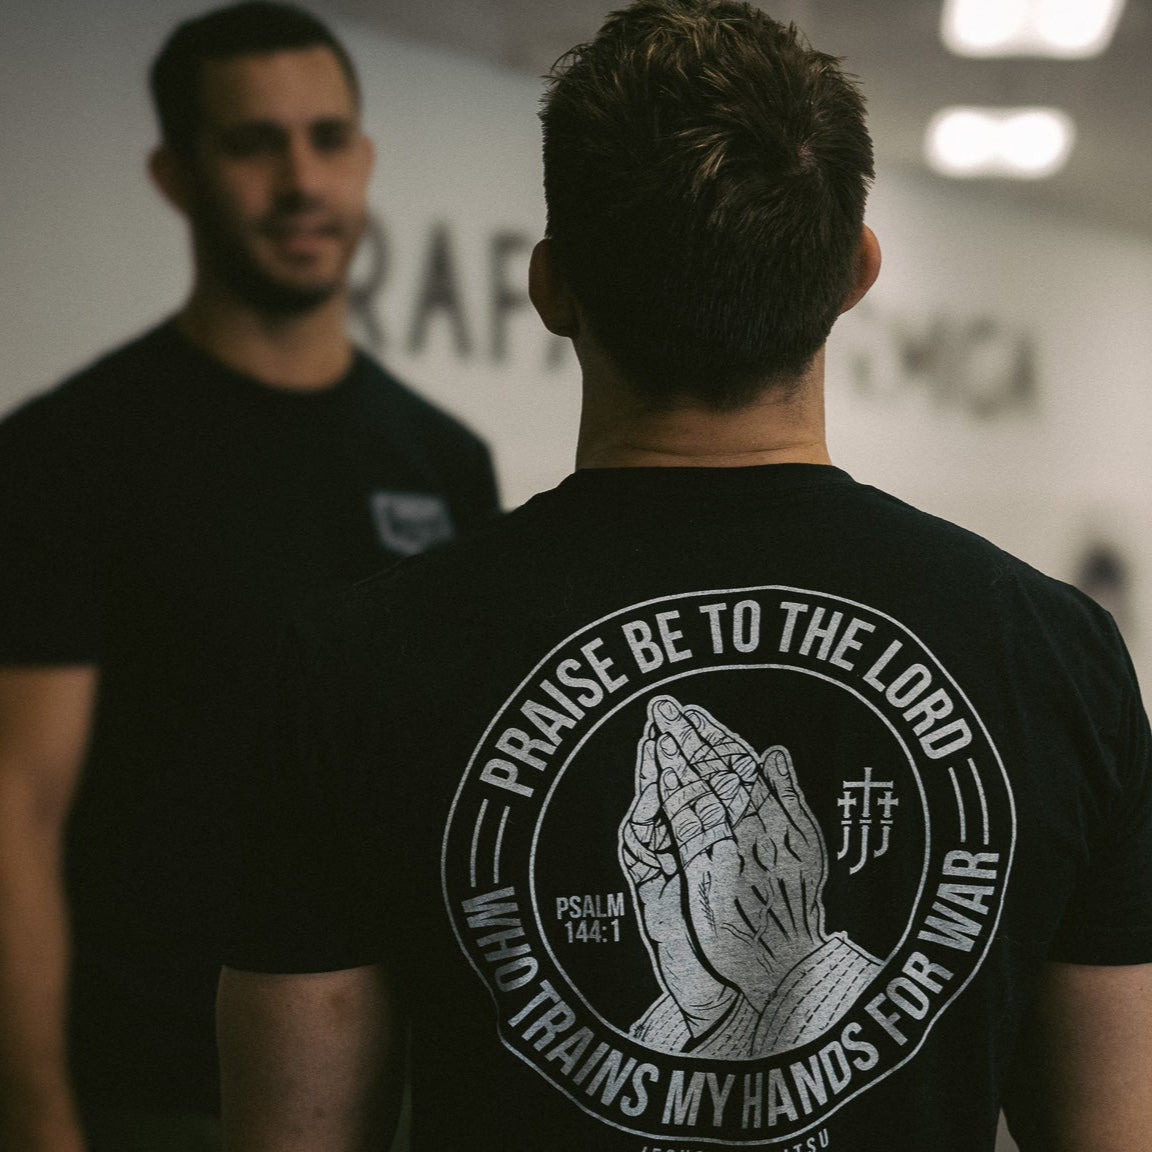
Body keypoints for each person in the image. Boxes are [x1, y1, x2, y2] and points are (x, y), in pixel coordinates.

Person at [215, 2, 1152, 1149]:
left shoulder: (350, 664)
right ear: (857, 273)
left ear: (551, 287)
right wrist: (735, 991)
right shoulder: (1055, 655)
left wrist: (757, 985)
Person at [0, 3, 499, 1150]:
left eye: (328, 138)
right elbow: (16, 813)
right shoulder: (67, 456)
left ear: (366, 158)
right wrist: (35, 1115)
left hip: (408, 1087)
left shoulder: (440, 459)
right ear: (175, 175)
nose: (300, 179)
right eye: (252, 143)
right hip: (160, 1093)